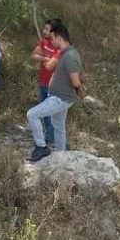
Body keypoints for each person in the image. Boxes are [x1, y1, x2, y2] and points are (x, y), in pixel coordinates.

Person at [26, 21, 83, 162]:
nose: (51, 41)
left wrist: (79, 92)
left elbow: (76, 81)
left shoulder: (69, 56)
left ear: (59, 38)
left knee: (32, 114)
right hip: (60, 96)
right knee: (59, 126)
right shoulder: (67, 53)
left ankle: (41, 147)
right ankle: (61, 154)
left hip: (60, 98)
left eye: (53, 38)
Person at [31, 18, 62, 147]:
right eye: (44, 29)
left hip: (53, 86)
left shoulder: (59, 47)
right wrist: (45, 57)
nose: (44, 31)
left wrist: (45, 59)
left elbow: (51, 65)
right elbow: (34, 55)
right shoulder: (43, 42)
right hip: (43, 82)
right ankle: (49, 137)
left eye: (47, 30)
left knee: (52, 114)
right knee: (44, 113)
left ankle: (55, 139)